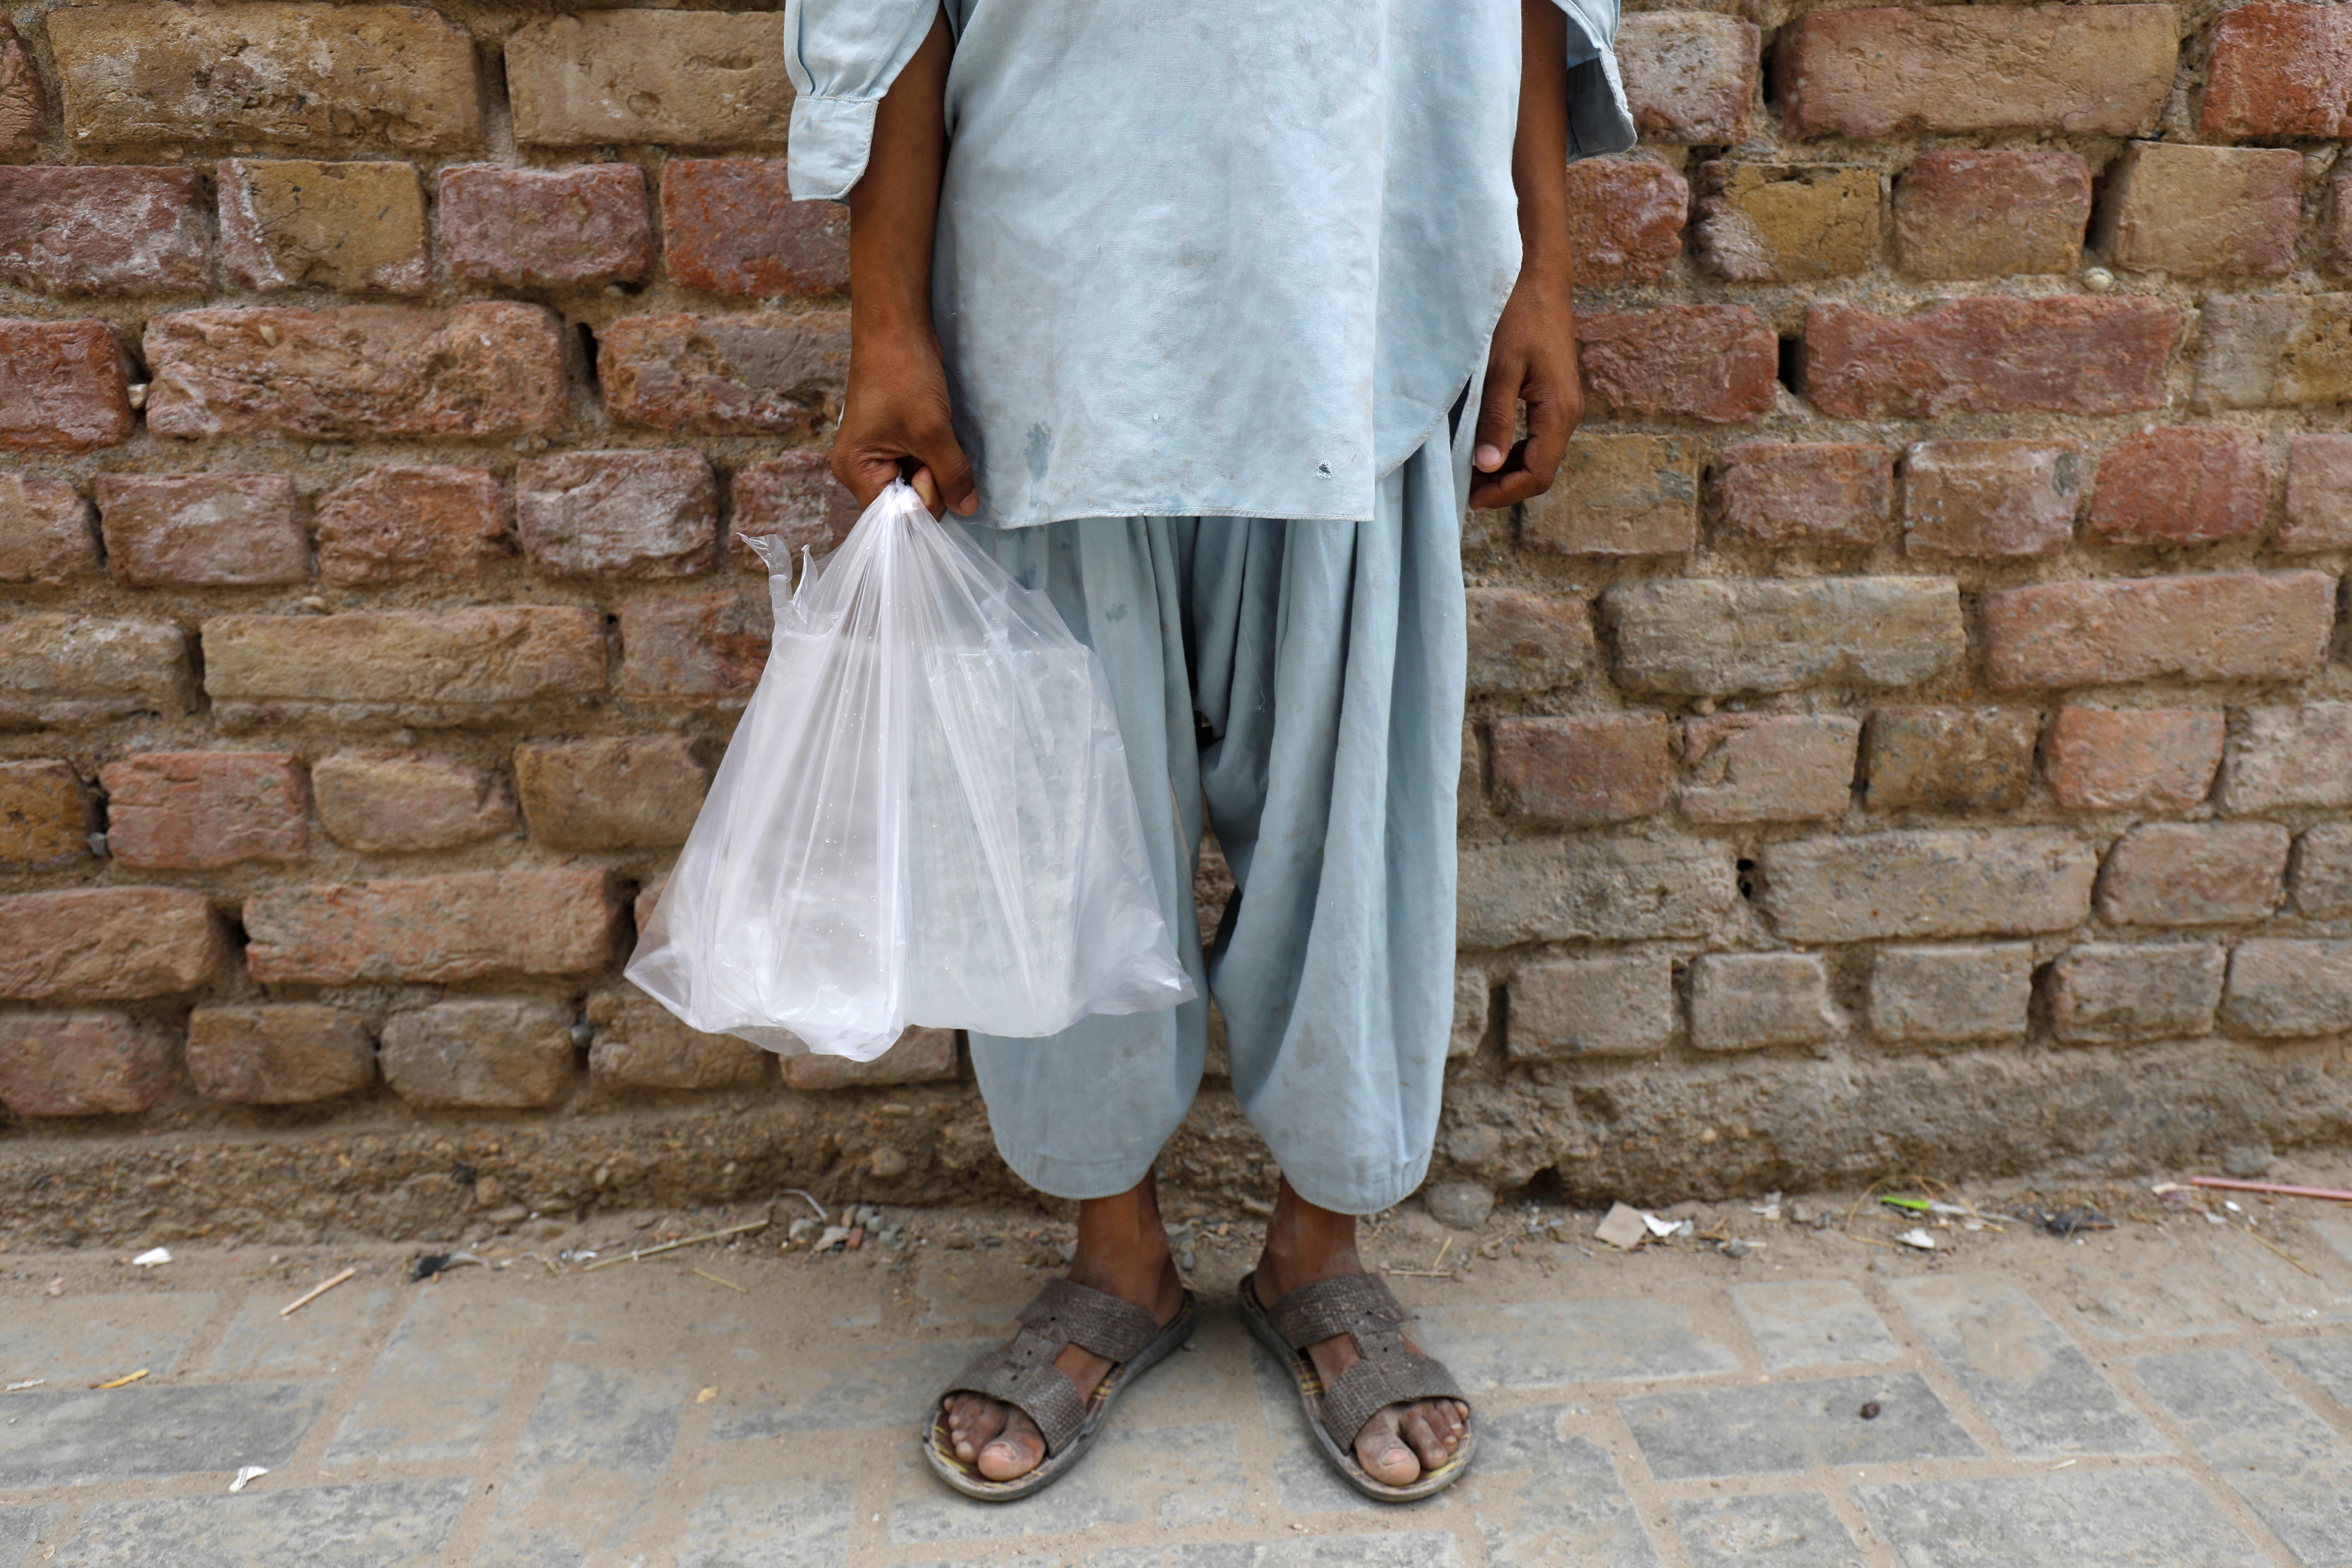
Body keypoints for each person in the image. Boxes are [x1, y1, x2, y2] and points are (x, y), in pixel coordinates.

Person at [783, 0, 1634, 1503]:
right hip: (1053, 271)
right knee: (1064, 827)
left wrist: (1537, 274)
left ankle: (1322, 1242)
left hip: (1367, 269)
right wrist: (885, 317)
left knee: (1346, 807)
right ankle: (1117, 1255)